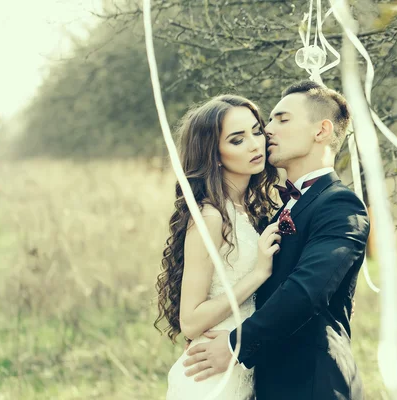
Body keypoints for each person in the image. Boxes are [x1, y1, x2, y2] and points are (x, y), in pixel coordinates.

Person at [183, 80, 370, 400]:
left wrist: (235, 345)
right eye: (266, 122)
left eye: (281, 120)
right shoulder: (276, 210)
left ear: (321, 131)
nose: (267, 130)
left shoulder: (341, 206)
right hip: (263, 382)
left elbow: (306, 292)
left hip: (311, 385)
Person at [155, 94, 281, 400]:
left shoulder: (248, 210)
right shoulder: (211, 216)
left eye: (256, 131)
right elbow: (191, 320)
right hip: (211, 377)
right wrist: (260, 273)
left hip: (241, 366)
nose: (255, 144)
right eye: (238, 140)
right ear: (214, 154)